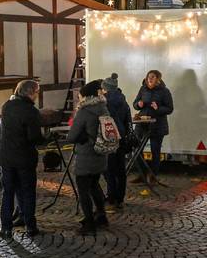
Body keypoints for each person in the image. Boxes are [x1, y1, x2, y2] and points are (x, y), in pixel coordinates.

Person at [0, 78, 44, 239]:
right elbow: (34, 138)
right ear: (31, 93)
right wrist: (48, 138)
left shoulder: (6, 106)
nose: (37, 95)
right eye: (37, 92)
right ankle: (30, 226)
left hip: (7, 157)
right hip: (25, 158)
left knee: (8, 192)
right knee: (28, 191)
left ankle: (5, 227)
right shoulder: (31, 111)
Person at [67, 79, 111, 236]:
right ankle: (101, 215)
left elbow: (71, 136)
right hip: (100, 153)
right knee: (94, 185)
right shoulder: (103, 108)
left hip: (86, 155)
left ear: (85, 96)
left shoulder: (84, 111)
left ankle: (89, 223)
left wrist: (78, 136)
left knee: (83, 189)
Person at [134, 69, 174, 178]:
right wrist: (139, 104)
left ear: (158, 79)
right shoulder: (143, 89)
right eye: (148, 77)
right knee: (137, 149)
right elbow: (135, 103)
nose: (150, 79)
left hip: (157, 125)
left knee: (155, 151)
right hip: (142, 124)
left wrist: (158, 108)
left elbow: (170, 109)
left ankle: (152, 175)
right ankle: (141, 174)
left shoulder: (164, 91)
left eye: (152, 77)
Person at [102, 74, 132, 212]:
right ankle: (120, 198)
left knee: (109, 169)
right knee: (120, 170)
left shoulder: (105, 102)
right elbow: (128, 121)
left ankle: (111, 196)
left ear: (106, 89)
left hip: (109, 138)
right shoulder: (123, 101)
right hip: (121, 138)